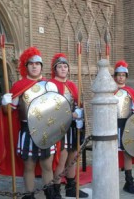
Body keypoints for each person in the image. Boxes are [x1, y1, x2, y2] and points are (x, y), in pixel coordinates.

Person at [0, 47, 59, 199]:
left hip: (46, 131)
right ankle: (29, 196)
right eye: (31, 63)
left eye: (37, 63)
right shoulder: (19, 87)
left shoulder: (50, 86)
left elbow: (58, 110)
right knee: (28, 167)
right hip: (27, 131)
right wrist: (5, 103)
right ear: (26, 66)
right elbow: (8, 112)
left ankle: (49, 194)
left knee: (47, 166)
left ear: (41, 66)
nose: (34, 66)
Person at [49, 53, 88, 198]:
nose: (63, 69)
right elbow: (50, 107)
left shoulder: (72, 85)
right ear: (55, 69)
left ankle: (71, 188)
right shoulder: (51, 85)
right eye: (60, 66)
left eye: (65, 66)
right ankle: (56, 189)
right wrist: (69, 114)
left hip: (73, 127)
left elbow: (78, 103)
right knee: (62, 159)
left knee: (73, 158)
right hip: (59, 128)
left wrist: (80, 110)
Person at [114, 60, 134, 194]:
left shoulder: (130, 92)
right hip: (113, 126)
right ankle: (111, 181)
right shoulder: (110, 91)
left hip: (126, 125)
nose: (121, 77)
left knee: (127, 154)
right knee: (111, 154)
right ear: (115, 76)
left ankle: (129, 182)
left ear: (126, 77)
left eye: (123, 75)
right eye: (118, 75)